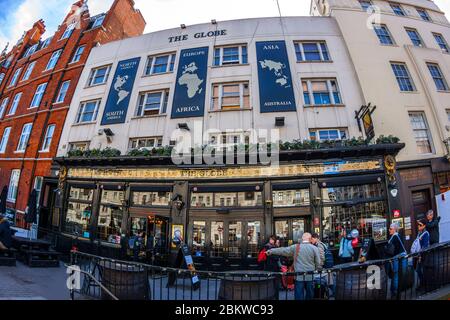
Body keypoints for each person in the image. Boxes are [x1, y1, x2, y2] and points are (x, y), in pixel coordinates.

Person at [266, 233, 321, 300]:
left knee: (298, 295)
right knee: (310, 294)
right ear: (310, 239)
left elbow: (283, 250)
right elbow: (318, 263)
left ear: (302, 239)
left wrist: (271, 251)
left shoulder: (296, 247)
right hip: (310, 275)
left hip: (298, 275)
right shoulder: (314, 248)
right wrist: (316, 269)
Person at [384, 223, 407, 298]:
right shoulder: (398, 236)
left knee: (396, 275)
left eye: (390, 229)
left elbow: (391, 251)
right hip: (401, 256)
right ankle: (396, 291)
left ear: (394, 229)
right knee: (399, 274)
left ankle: (395, 293)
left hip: (397, 258)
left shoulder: (394, 237)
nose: (389, 230)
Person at [411, 219, 430, 289]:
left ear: (424, 226)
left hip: (423, 255)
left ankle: (424, 284)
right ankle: (423, 283)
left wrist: (420, 256)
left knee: (421, 269)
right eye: (418, 225)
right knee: (418, 269)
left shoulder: (426, 233)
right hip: (418, 254)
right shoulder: (419, 233)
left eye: (420, 225)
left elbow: (425, 246)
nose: (418, 226)